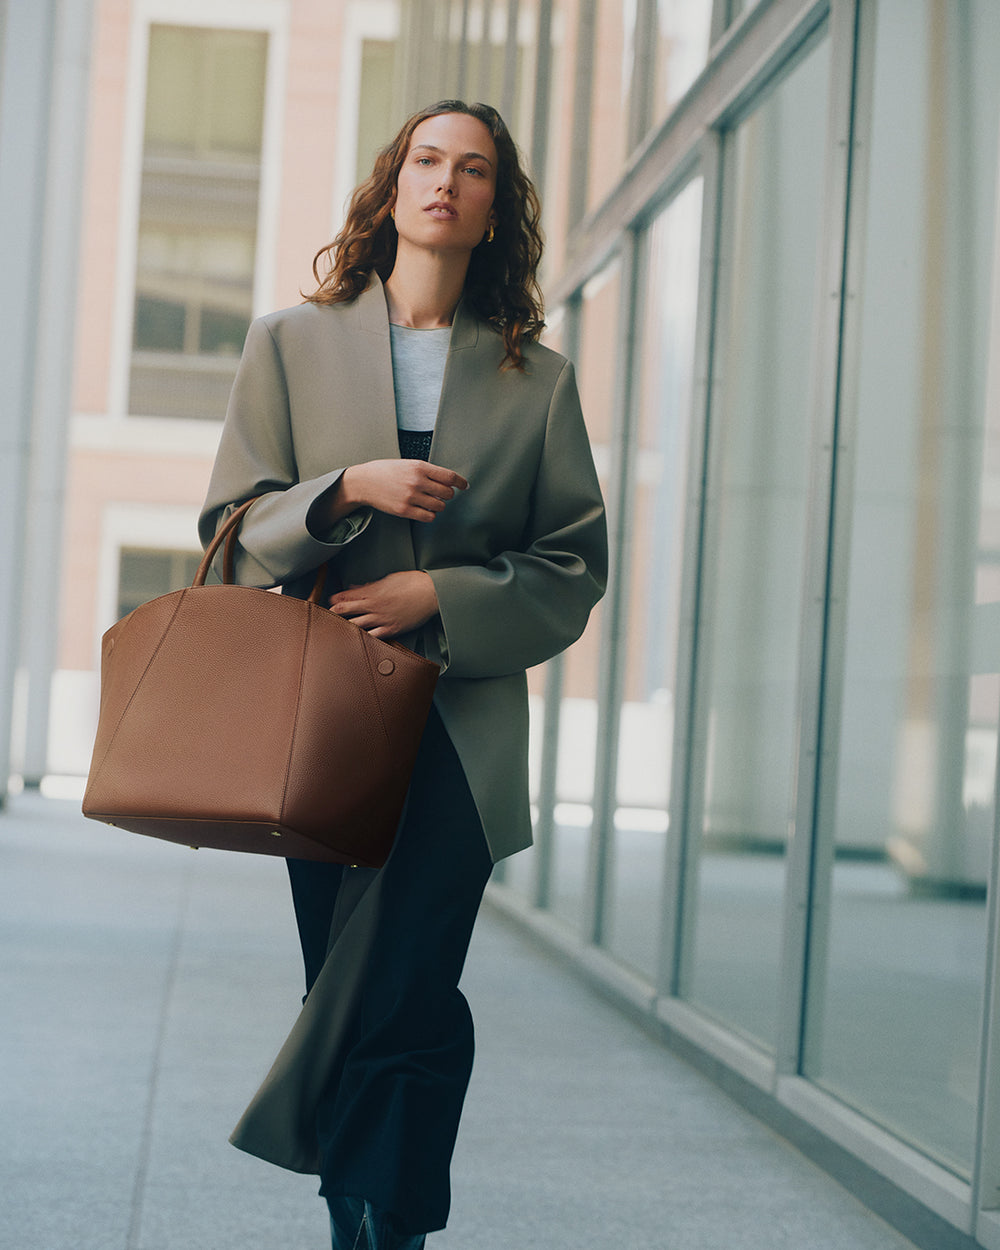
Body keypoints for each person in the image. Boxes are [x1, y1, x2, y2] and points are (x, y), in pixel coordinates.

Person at [198, 99, 607, 1249]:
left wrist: (443, 597)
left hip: (461, 733)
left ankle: (387, 1227)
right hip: (322, 719)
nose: (445, 182)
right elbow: (230, 528)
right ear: (391, 188)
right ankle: (370, 1220)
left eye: (472, 170)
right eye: (426, 160)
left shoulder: (539, 380)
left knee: (412, 984)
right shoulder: (290, 340)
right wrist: (344, 490)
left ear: (493, 210)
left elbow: (573, 564)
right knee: (347, 980)